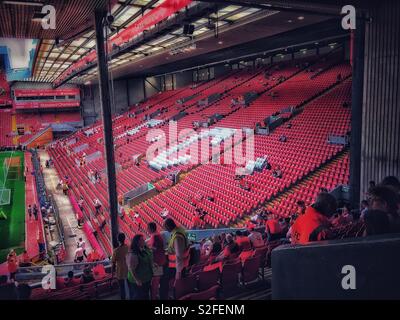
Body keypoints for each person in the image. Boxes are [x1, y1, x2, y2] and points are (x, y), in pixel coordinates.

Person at [127, 234, 153, 300]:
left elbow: (149, 258)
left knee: (145, 295)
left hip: (146, 279)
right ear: (137, 242)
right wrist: (137, 280)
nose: (144, 241)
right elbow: (131, 269)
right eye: (142, 240)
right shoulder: (133, 254)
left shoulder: (144, 249)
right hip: (138, 281)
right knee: (139, 296)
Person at [146, 222, 166, 300]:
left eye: (148, 228)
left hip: (157, 262)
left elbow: (156, 249)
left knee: (155, 282)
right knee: (156, 281)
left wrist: (147, 248)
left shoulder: (155, 236)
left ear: (151, 228)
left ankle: (154, 297)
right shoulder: (156, 235)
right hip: (159, 261)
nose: (147, 230)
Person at [112, 232, 129, 300]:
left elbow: (113, 263)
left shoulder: (116, 251)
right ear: (124, 239)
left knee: (122, 288)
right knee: (130, 285)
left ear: (118, 240)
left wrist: (112, 273)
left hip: (120, 271)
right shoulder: (128, 247)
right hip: (128, 269)